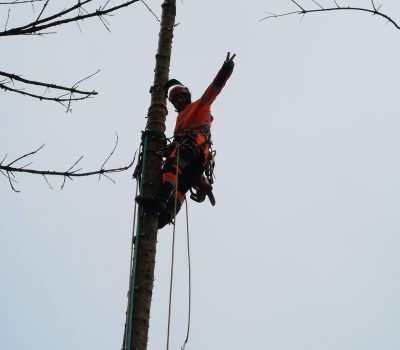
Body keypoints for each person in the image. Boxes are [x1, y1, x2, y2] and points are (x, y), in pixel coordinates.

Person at [137, 52, 236, 228]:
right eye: (175, 100)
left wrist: (226, 69)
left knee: (172, 166)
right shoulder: (179, 121)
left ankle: (160, 200)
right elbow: (176, 145)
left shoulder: (200, 104)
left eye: (181, 97)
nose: (179, 101)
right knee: (183, 184)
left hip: (193, 145)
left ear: (187, 95)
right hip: (196, 156)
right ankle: (167, 214)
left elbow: (214, 89)